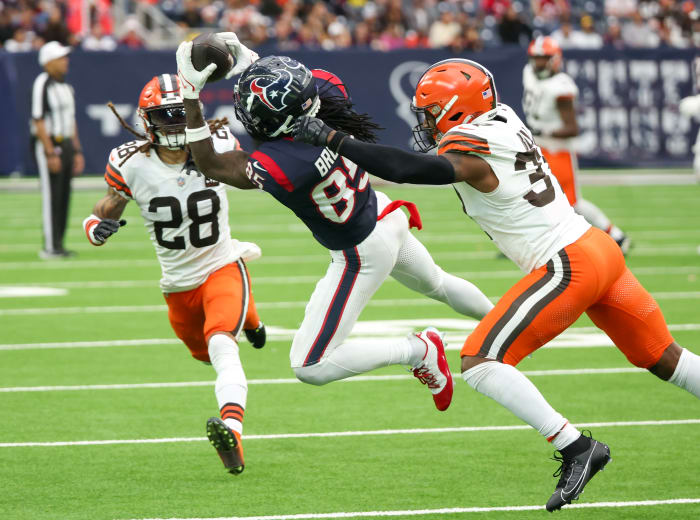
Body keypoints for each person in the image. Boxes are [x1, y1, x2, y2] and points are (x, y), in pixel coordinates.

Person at [292, 58, 700, 511]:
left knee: (480, 361)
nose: (423, 122)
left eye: (429, 112)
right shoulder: (503, 118)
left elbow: (411, 170)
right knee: (664, 358)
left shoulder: (473, 144)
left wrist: (334, 139)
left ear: (454, 109)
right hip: (597, 246)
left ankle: (576, 447)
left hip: (570, 264)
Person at [174, 34, 494, 413]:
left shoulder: (283, 163)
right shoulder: (324, 101)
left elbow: (210, 163)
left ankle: (418, 349)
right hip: (384, 214)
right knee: (439, 282)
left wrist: (190, 95)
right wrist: (256, 63)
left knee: (310, 364)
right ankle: (505, 321)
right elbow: (306, 82)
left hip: (361, 252)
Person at [81, 74, 266, 476]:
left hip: (220, 266)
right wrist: (93, 225)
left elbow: (258, 175)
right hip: (178, 285)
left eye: (182, 115)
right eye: (166, 117)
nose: (176, 126)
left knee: (222, 346)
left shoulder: (216, 146)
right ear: (147, 121)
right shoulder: (129, 163)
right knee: (201, 353)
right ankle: (251, 315)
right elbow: (107, 205)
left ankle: (233, 431)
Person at [523, 36, 631, 254]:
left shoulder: (562, 87)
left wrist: (543, 130)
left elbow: (572, 128)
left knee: (572, 202)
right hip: (538, 148)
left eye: (543, 58)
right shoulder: (529, 73)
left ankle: (615, 235)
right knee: (530, 196)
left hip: (557, 149)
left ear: (554, 60)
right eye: (536, 58)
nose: (538, 63)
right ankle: (531, 244)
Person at [32, 41, 84, 259]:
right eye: (61, 58)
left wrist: (77, 150)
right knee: (52, 195)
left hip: (66, 143)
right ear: (48, 62)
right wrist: (50, 151)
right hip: (50, 143)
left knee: (64, 195)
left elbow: (71, 121)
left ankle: (59, 243)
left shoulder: (66, 87)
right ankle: (50, 246)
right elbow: (38, 119)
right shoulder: (42, 83)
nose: (66, 62)